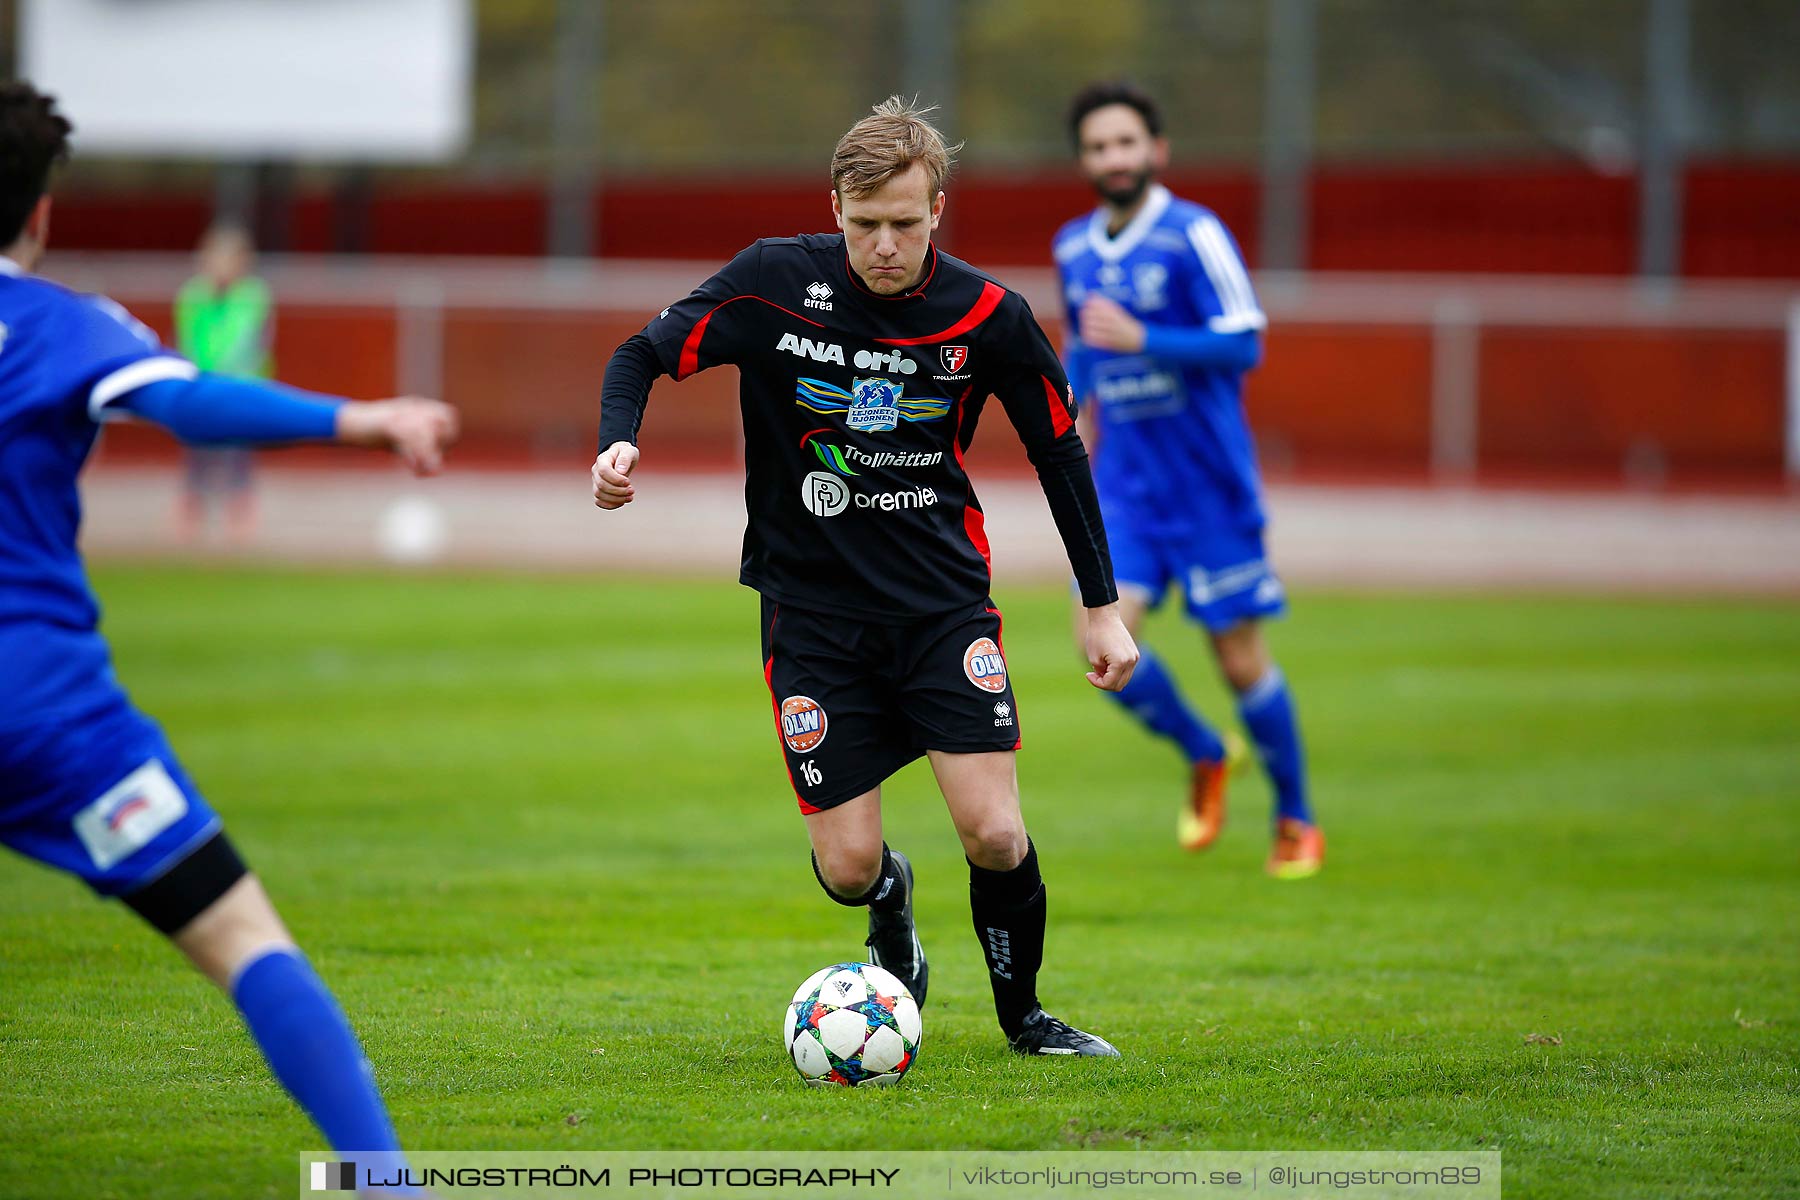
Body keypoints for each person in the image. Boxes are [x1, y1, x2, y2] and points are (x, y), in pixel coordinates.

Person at [592, 97, 1139, 1059]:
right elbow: (642, 351)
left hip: (941, 610)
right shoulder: (769, 283)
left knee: (997, 835)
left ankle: (1026, 1022)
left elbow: (1060, 450)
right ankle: (890, 899)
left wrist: (1102, 606)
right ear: (834, 207)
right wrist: (617, 443)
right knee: (844, 867)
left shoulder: (988, 315)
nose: (884, 246)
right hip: (811, 619)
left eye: (905, 224)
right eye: (863, 225)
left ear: (939, 211)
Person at [0, 83, 457, 1195]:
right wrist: (365, 418)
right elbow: (190, 402)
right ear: (42, 213)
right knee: (239, 933)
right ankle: (383, 1185)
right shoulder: (61, 325)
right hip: (43, 713)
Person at [1053, 82, 1324, 879]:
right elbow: (1085, 352)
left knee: (1239, 659)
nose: (1114, 158)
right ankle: (1207, 752)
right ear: (1084, 161)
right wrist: (1063, 405)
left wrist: (1147, 337)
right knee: (1099, 646)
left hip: (1208, 487)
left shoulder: (1193, 233)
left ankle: (1296, 819)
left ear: (1156, 150)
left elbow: (1244, 343)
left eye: (1127, 143)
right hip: (1125, 490)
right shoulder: (1074, 248)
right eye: (1099, 147)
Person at [173, 223, 273, 543]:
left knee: (238, 454)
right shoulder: (193, 295)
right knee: (197, 453)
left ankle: (240, 518)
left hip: (240, 387)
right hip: (200, 385)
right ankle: (191, 515)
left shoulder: (253, 296)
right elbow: (188, 339)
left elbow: (249, 342)